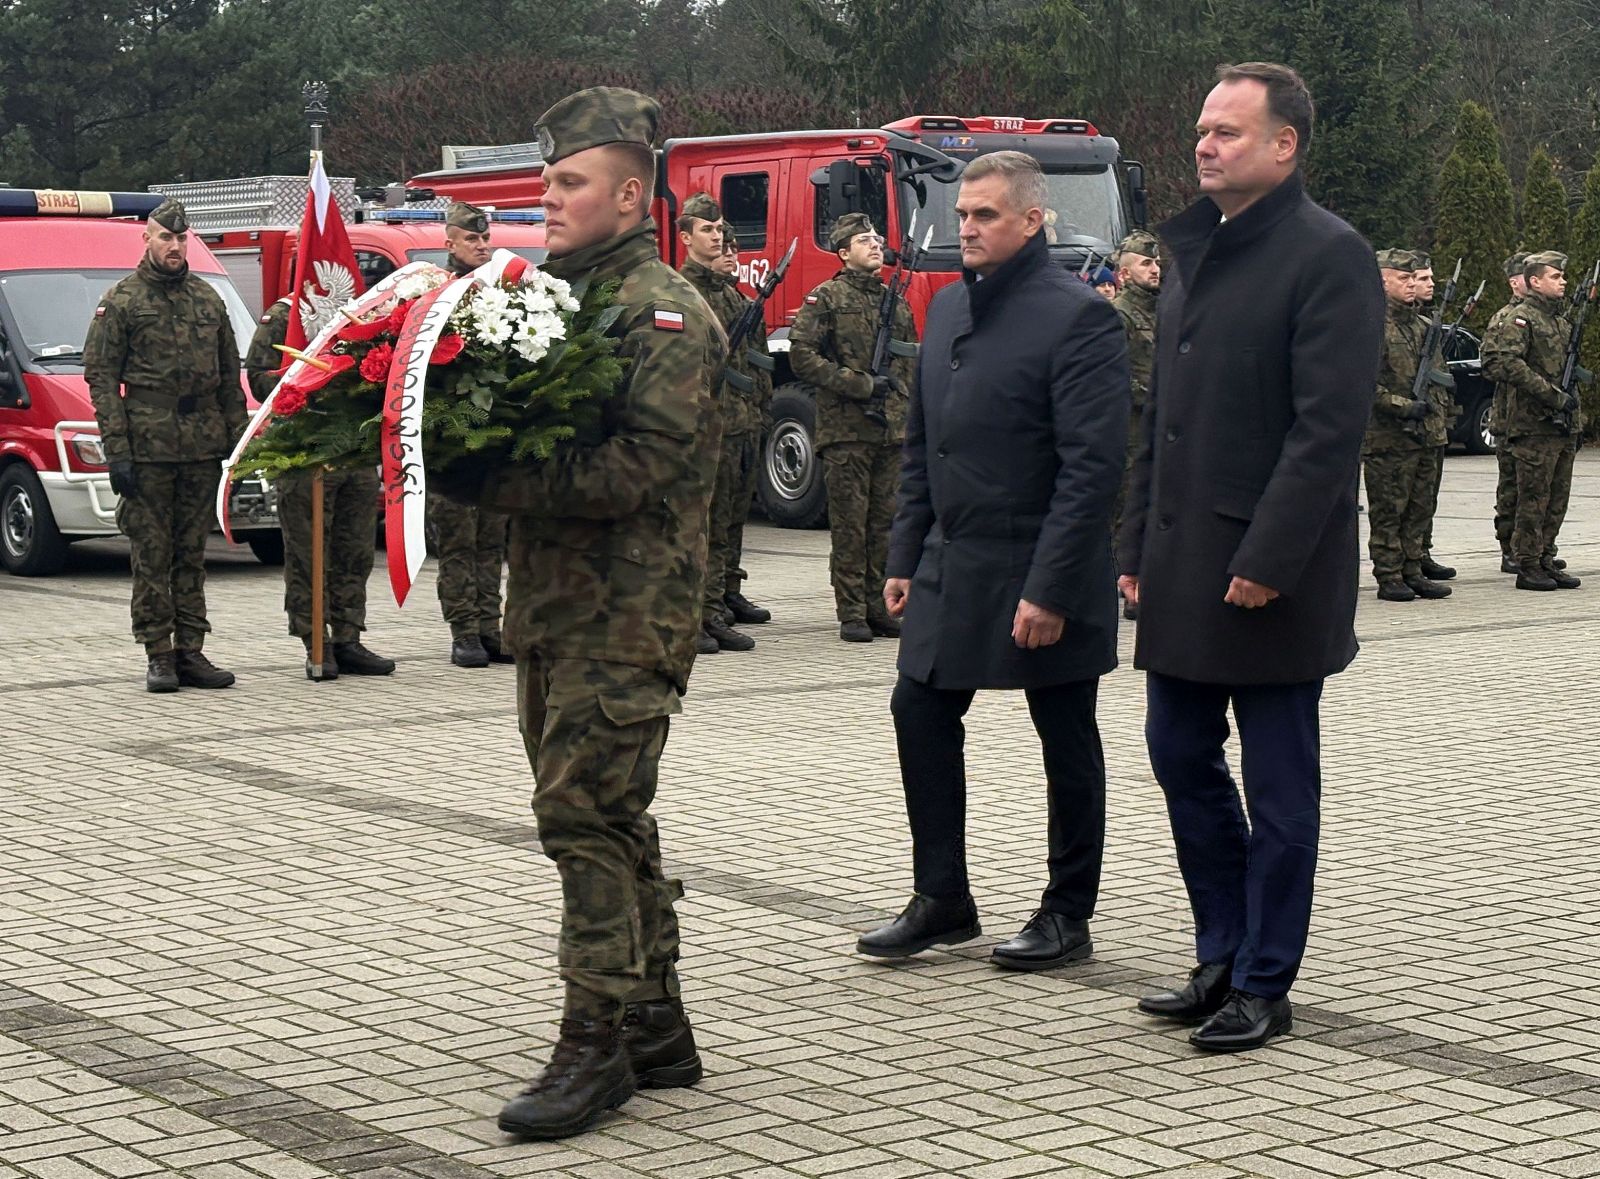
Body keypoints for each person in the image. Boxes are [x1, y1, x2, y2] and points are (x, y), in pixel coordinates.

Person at [452, 87, 723, 1139]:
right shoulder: (551, 297)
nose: (546, 198)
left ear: (626, 193)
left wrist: (492, 476)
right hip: (557, 608)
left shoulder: (661, 309)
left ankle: (593, 1044)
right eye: (547, 180)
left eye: (568, 183)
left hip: (627, 614)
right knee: (609, 816)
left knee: (577, 818)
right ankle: (656, 1023)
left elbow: (631, 471)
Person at [1117, 63, 1384, 1052]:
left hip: (1271, 576)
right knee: (1179, 756)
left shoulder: (1328, 256)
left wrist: (1268, 557)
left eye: (1228, 131)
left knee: (1278, 791)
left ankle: (1265, 980)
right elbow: (1164, 422)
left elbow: (1325, 431)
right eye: (1201, 129)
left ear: (1284, 146)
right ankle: (1219, 950)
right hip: (1182, 566)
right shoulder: (1197, 253)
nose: (1204, 144)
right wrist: (1134, 541)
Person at [856, 151, 1129, 971]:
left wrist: (1047, 588)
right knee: (920, 709)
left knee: (1064, 731)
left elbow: (1092, 469)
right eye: (961, 213)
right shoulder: (945, 311)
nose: (964, 228)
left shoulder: (1080, 317)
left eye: (984, 215)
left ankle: (1066, 910)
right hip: (954, 556)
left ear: (1031, 221)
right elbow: (920, 443)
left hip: (1047, 560)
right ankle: (943, 896)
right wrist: (905, 551)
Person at [83, 198, 247, 693]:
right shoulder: (123, 300)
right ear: (147, 239)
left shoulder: (208, 299)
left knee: (192, 553)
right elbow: (102, 378)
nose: (174, 247)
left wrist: (239, 446)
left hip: (201, 446)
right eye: (165, 238)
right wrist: (119, 451)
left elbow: (228, 379)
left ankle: (191, 650)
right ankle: (158, 652)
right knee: (151, 554)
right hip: (148, 446)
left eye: (181, 239)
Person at [244, 299, 394, 679]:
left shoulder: (361, 312)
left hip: (353, 451)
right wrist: (304, 383)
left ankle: (347, 636)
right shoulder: (283, 317)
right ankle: (315, 639)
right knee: (309, 551)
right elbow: (259, 377)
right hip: (305, 451)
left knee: (355, 550)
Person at [790, 213, 917, 642]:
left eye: (878, 239)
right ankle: (851, 612)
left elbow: (908, 363)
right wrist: (858, 384)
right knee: (849, 525)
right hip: (846, 429)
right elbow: (802, 356)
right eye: (865, 241)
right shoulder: (825, 298)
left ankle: (879, 606)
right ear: (844, 252)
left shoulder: (894, 301)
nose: (876, 246)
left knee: (885, 523)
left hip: (890, 430)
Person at [676, 194, 771, 654]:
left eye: (720, 230)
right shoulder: (681, 292)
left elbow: (754, 361)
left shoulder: (730, 292)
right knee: (701, 527)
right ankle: (697, 615)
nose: (717, 237)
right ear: (686, 237)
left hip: (739, 422)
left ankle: (716, 607)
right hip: (703, 426)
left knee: (729, 521)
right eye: (708, 231)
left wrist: (760, 410)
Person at [429, 201, 512, 667]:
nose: (482, 246)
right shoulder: (435, 294)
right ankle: (464, 630)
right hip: (452, 439)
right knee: (458, 539)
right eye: (472, 240)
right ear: (451, 243)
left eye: (485, 239)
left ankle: (490, 626)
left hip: (492, 435)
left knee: (491, 539)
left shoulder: (497, 292)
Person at [1481, 251, 1583, 591]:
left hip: (1561, 424)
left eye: (1562, 276)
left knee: (1557, 496)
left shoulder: (1561, 321)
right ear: (1534, 281)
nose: (1563, 281)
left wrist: (1573, 414)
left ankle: (1545, 556)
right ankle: (1526, 563)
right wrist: (1551, 395)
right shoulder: (1520, 318)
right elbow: (1507, 364)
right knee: (1532, 497)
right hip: (1533, 423)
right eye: (1556, 276)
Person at [1361, 249, 1449, 602]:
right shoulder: (1370, 325)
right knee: (1389, 509)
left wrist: (1436, 420)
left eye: (1415, 278)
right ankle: (1389, 573)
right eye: (1403, 278)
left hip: (1425, 434)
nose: (1413, 284)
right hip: (1388, 436)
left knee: (1419, 507)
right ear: (1382, 280)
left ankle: (1413, 567)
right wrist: (1404, 407)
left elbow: (1439, 380)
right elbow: (1364, 383)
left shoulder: (1423, 327)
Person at [1112, 230, 1160, 620]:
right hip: (1133, 429)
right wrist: (1156, 398)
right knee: (1132, 506)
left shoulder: (1166, 310)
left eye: (1157, 262)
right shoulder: (1118, 314)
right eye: (1146, 263)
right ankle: (1132, 589)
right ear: (1125, 274)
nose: (1155, 269)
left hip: (1166, 426)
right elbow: (1116, 375)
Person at [1409, 255, 1457, 582]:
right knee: (1402, 503)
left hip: (1433, 423)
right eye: (1423, 278)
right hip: (1402, 426)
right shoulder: (1389, 324)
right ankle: (1401, 563)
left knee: (1427, 497)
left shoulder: (1426, 323)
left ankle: (1421, 551)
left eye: (1431, 278)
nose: (1430, 284)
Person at [1487, 252, 1532, 572]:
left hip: (1535, 417)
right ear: (1517, 282)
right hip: (1510, 415)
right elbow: (1490, 364)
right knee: (1512, 487)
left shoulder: (1544, 316)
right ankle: (1509, 548)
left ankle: (1533, 548)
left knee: (1536, 489)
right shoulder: (1505, 317)